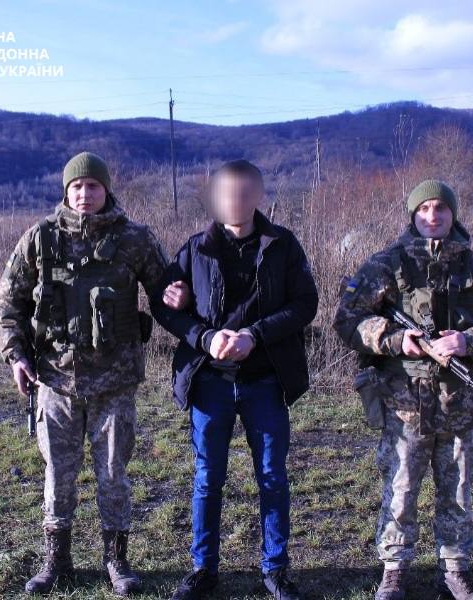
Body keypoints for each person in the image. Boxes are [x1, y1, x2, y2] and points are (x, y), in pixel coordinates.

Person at [0, 151, 174, 596]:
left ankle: (117, 560)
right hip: (55, 380)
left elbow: (168, 293)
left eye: (93, 186)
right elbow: (6, 304)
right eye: (77, 186)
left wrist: (192, 313)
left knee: (113, 474)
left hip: (115, 382)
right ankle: (58, 561)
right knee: (58, 473)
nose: (84, 194)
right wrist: (17, 356)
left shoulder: (134, 239)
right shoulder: (40, 238)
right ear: (66, 191)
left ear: (106, 189)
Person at [333, 179, 473, 600]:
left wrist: (467, 341)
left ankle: (455, 571)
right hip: (403, 404)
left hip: (460, 403)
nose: (432, 216)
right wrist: (396, 339)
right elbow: (347, 320)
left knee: (458, 491)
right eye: (423, 209)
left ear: (453, 214)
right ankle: (394, 572)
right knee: (400, 490)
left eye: (440, 208)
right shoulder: (386, 265)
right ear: (413, 215)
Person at [152, 159, 319, 600]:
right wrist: (205, 338)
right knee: (208, 478)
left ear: (259, 196)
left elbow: (305, 304)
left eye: (245, 194)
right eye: (228, 194)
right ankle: (203, 569)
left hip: (266, 380)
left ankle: (276, 570)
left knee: (273, 477)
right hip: (211, 383)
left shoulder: (283, 245)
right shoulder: (196, 249)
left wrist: (254, 335)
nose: (237, 201)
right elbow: (163, 306)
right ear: (216, 198)